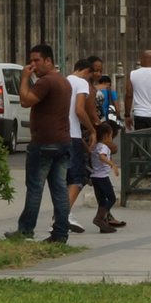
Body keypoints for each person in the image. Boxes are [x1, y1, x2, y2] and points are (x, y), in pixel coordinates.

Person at [10, 44, 74, 244]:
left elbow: (26, 101)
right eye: (31, 61)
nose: (32, 65)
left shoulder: (46, 82)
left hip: (44, 143)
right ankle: (61, 233)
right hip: (63, 142)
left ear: (48, 60)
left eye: (37, 60)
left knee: (35, 188)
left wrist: (24, 78)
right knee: (60, 189)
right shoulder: (63, 81)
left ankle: (26, 230)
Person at [63, 56, 98, 233]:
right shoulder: (81, 83)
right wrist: (92, 130)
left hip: (59, 135)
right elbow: (79, 110)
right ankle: (62, 216)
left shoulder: (63, 81)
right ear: (86, 71)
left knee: (62, 179)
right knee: (77, 178)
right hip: (73, 136)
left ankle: (61, 214)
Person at [88, 120, 123, 232]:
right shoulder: (103, 147)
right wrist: (112, 164)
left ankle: (103, 224)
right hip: (102, 177)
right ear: (107, 135)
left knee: (102, 201)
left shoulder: (96, 146)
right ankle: (99, 218)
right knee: (111, 198)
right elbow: (101, 156)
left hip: (94, 176)